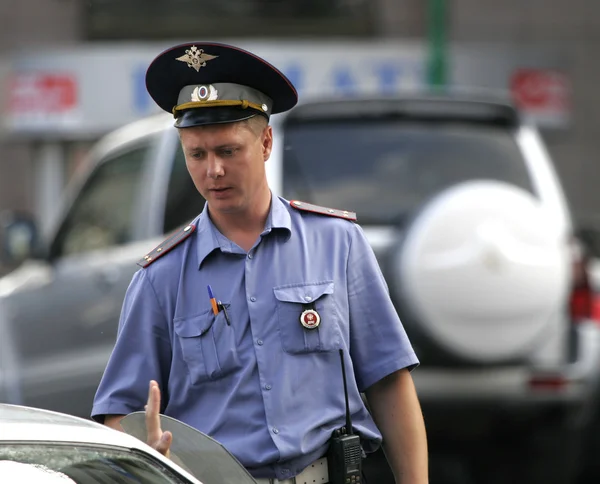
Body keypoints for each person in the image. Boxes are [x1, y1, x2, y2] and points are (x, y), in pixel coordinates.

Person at [91, 41, 428, 484]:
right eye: (197, 154)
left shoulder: (337, 244)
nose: (213, 171)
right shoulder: (161, 278)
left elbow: (389, 381)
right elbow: (116, 416)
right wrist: (143, 455)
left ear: (266, 142)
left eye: (228, 151)